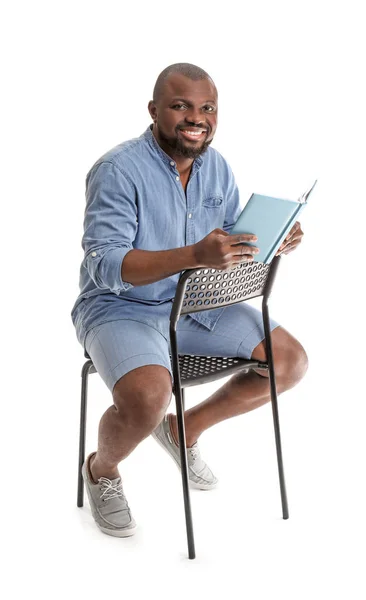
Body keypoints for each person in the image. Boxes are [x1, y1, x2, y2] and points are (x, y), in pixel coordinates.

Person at [71, 62, 308, 538]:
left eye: (207, 108)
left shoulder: (215, 166)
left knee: (290, 362)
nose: (196, 118)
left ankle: (185, 429)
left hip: (197, 303)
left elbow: (228, 241)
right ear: (155, 110)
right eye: (181, 106)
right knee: (148, 399)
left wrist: (271, 237)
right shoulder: (117, 169)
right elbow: (106, 264)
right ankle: (101, 471)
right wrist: (195, 254)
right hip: (122, 307)